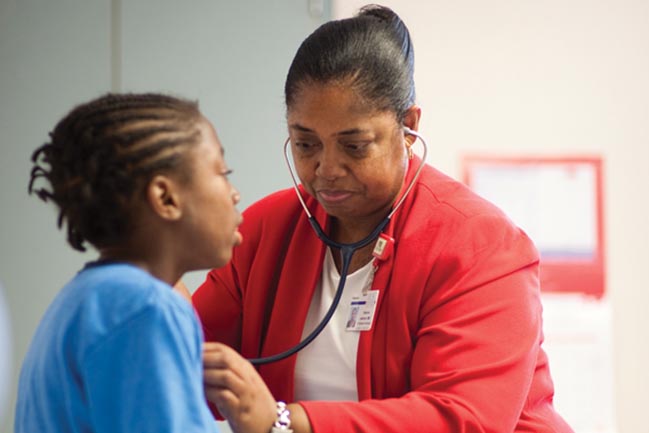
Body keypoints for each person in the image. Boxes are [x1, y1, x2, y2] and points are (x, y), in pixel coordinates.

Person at [191, 4, 574, 433]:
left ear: (408, 127)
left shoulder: (482, 246)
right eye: (306, 144)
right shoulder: (267, 231)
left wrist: (286, 421)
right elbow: (185, 362)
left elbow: (462, 419)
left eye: (354, 146)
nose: (326, 169)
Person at [15, 92, 242, 433]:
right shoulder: (146, 308)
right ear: (166, 198)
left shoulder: (84, 299)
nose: (234, 193)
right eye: (222, 172)